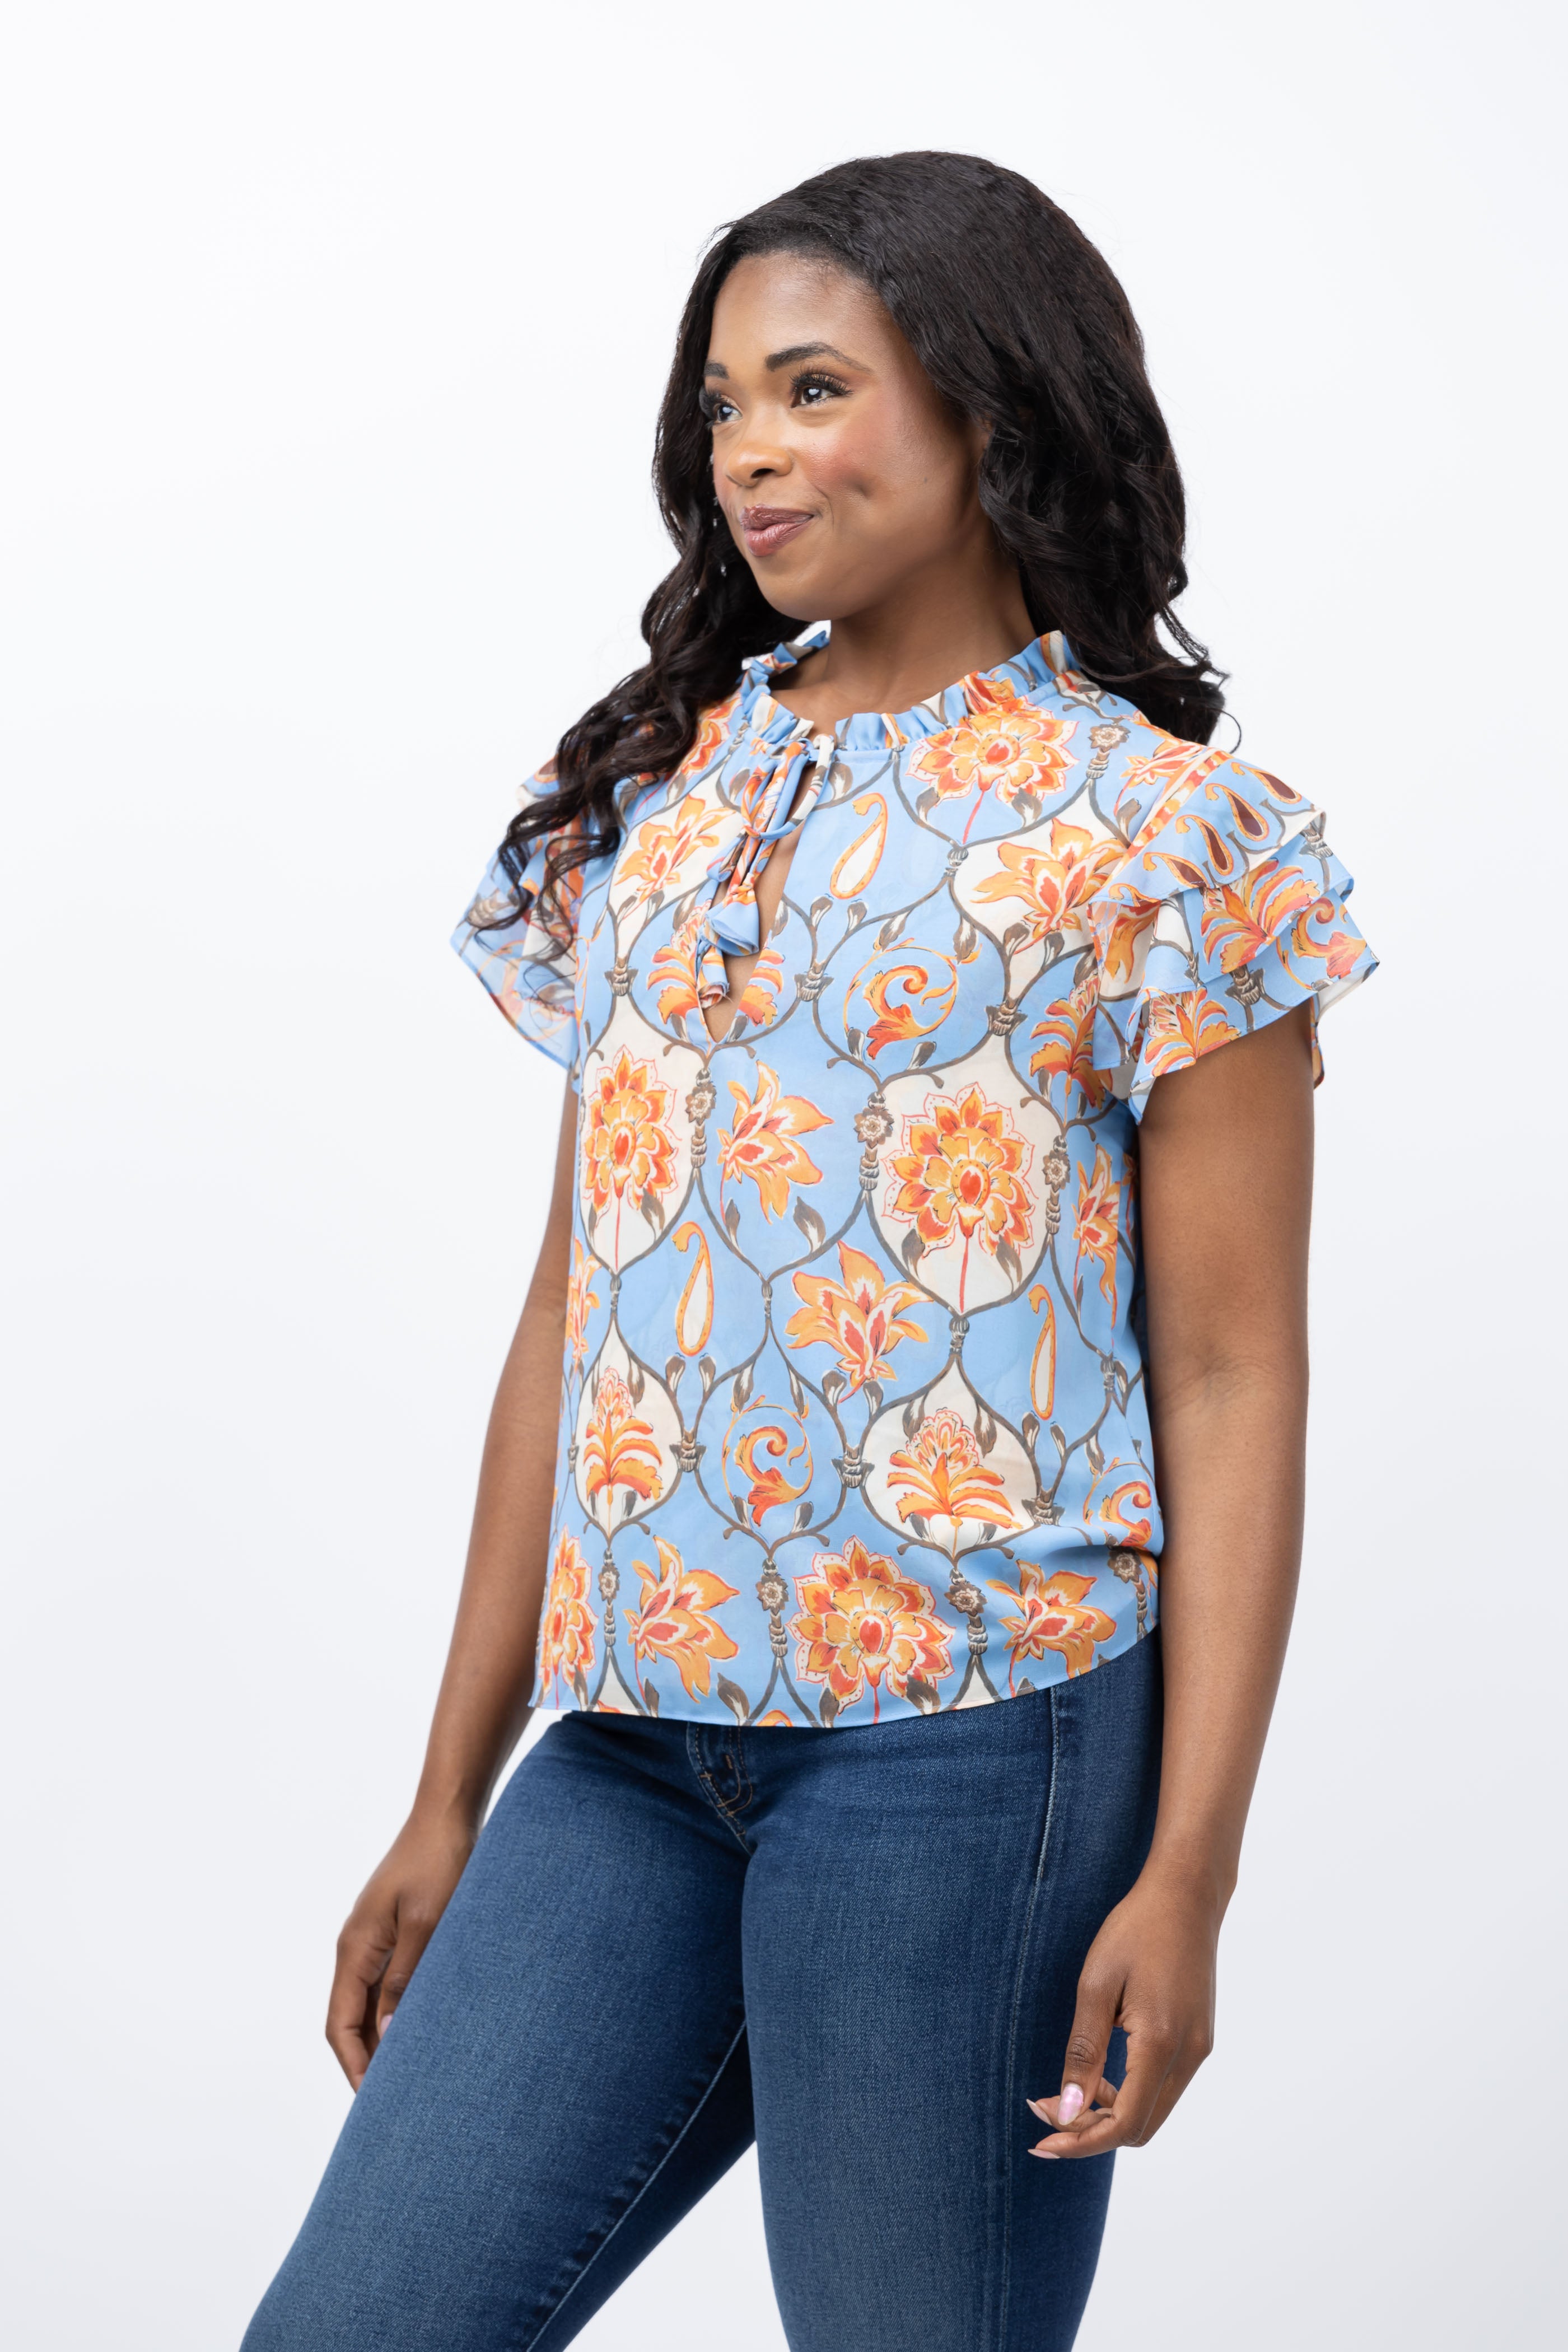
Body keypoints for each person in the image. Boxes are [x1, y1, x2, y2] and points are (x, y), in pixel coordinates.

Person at [241, 151, 1375, 2351]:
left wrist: (1192, 1867)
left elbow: (1235, 1371)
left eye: (812, 389)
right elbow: (572, 1302)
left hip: (975, 1751)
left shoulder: (1171, 845)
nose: (748, 450)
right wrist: (447, 1788)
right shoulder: (653, 798)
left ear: (988, 402)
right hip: (633, 1743)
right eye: (721, 406)